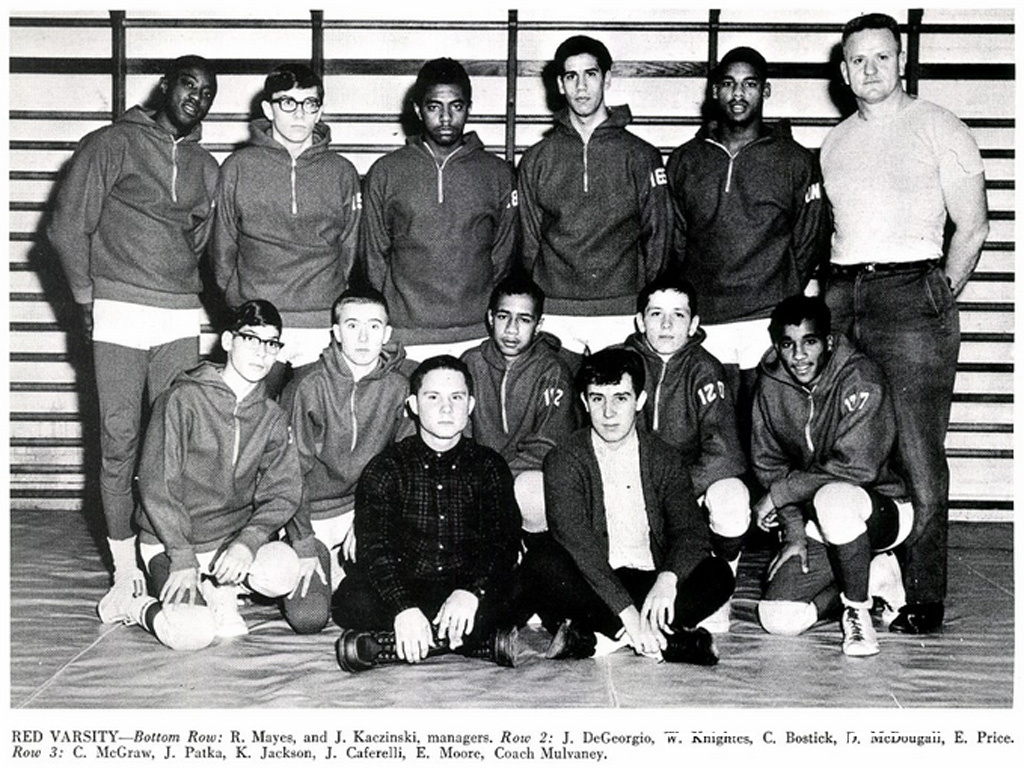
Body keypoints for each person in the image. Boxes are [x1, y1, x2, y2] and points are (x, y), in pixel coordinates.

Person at [821, 13, 989, 634]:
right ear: (843, 71)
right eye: (857, 60)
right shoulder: (834, 141)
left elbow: (972, 225)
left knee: (917, 449)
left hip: (911, 290)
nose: (870, 70)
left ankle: (925, 594)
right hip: (843, 292)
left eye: (881, 58)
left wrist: (940, 291)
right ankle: (866, 582)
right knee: (851, 445)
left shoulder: (940, 126)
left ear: (900, 61)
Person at [47, 55, 220, 625]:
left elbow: (196, 239)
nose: (197, 96)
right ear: (165, 86)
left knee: (177, 440)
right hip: (118, 310)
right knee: (120, 440)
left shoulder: (205, 164)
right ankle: (124, 571)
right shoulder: (110, 142)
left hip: (176, 316)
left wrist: (173, 283)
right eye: (188, 84)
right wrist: (87, 298)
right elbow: (67, 225)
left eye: (208, 91)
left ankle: (169, 555)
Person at [127, 300, 331, 650]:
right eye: (251, 339)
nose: (262, 352)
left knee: (283, 570)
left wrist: (249, 541)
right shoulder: (181, 399)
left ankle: (224, 590)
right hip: (172, 541)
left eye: (271, 343)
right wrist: (181, 555)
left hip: (229, 542)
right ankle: (136, 606)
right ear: (227, 341)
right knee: (192, 634)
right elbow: (158, 484)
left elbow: (283, 489)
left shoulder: (271, 415)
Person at [666, 45, 828, 452]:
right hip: (710, 320)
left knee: (768, 435)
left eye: (750, 84)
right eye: (729, 84)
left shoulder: (794, 160)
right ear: (715, 91)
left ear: (765, 91)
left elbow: (809, 237)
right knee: (717, 436)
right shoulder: (686, 160)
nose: (739, 94)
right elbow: (676, 237)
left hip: (766, 319)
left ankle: (773, 514)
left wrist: (782, 288)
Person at [527, 348, 734, 664]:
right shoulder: (564, 458)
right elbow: (578, 544)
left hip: (648, 580)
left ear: (639, 401)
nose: (609, 412)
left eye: (621, 398)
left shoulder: (664, 457)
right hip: (593, 581)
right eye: (597, 399)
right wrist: (629, 618)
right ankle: (662, 640)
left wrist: (668, 579)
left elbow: (691, 532)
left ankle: (593, 638)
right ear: (584, 403)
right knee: (543, 562)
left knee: (718, 573)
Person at [332, 356, 521, 665]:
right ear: (414, 405)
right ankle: (474, 643)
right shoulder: (386, 467)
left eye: (456, 397)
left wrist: (472, 592)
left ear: (470, 405)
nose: (446, 408)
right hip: (409, 584)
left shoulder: (489, 465)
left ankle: (389, 647)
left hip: (465, 588)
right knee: (352, 600)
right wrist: (403, 608)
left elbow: (502, 541)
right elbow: (375, 548)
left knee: (520, 586)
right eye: (433, 397)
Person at [752, 296, 912, 657]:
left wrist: (782, 493)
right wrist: (792, 531)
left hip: (881, 508)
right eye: (787, 344)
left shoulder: (860, 376)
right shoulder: (770, 385)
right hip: (816, 517)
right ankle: (874, 577)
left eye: (809, 342)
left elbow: (858, 467)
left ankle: (858, 614)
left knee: (834, 498)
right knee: (779, 617)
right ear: (776, 344)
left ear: (827, 341)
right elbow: (769, 466)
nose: (798, 356)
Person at [213, 63, 362, 398]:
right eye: (287, 103)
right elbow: (222, 248)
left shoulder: (342, 171)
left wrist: (329, 300)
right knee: (252, 424)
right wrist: (243, 307)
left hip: (320, 321)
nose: (299, 114)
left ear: (320, 110)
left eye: (309, 104)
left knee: (319, 426)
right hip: (261, 322)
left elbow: (349, 248)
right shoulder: (237, 168)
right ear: (268, 109)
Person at [518, 35, 672, 355]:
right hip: (556, 310)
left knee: (617, 403)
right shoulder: (537, 159)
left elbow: (658, 236)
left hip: (622, 310)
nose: (582, 87)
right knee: (556, 405)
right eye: (571, 76)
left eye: (591, 74)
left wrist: (644, 303)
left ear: (608, 78)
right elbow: (529, 243)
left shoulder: (641, 156)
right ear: (560, 84)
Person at [357, 58, 518, 361]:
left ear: (469, 107)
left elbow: (503, 254)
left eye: (456, 106)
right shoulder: (386, 172)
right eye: (434, 107)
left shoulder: (497, 173)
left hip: (476, 334)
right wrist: (393, 316)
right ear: (418, 110)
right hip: (408, 334)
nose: (446, 118)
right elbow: (374, 255)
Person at [622, 275, 750, 631]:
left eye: (677, 315)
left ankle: (722, 585)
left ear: (693, 324)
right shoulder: (623, 364)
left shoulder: (705, 370)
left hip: (690, 487)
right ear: (639, 321)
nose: (665, 325)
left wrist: (677, 491)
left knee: (731, 497)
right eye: (656, 314)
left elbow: (724, 453)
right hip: (636, 488)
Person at [286, 287, 413, 610]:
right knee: (309, 616)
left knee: (378, 600)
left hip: (361, 511)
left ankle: (344, 575)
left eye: (373, 326)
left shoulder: (399, 387)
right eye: (352, 325)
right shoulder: (309, 386)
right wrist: (301, 541)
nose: (363, 336)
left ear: (386, 334)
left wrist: (368, 519)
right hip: (310, 514)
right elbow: (289, 473)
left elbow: (405, 467)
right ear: (336, 333)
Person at [460, 274, 577, 537]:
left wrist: (496, 481)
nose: (512, 329)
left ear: (539, 324)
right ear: (490, 318)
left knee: (532, 489)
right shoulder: (471, 363)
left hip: (523, 477)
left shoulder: (552, 369)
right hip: (478, 478)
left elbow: (549, 444)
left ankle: (531, 546)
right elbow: (460, 431)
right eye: (503, 317)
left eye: (524, 319)